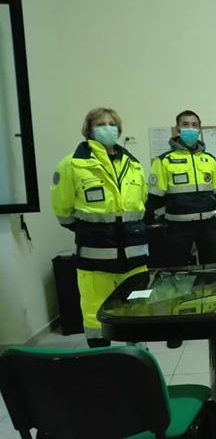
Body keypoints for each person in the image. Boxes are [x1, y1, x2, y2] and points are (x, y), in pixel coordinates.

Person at [51, 108, 149, 348]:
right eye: (101, 124)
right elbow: (63, 211)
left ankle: (138, 355)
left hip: (134, 253)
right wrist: (93, 231)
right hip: (95, 255)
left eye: (111, 123)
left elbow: (141, 203)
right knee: (94, 309)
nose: (108, 128)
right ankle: (99, 356)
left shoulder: (133, 164)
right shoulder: (72, 164)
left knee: (137, 306)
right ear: (89, 130)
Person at [145, 110, 216, 266]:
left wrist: (210, 210)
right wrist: (169, 215)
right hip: (177, 227)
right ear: (178, 129)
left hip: (207, 226)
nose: (190, 128)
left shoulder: (209, 160)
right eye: (185, 124)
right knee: (178, 271)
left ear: (199, 129)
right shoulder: (164, 161)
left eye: (194, 125)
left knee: (210, 269)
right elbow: (155, 197)